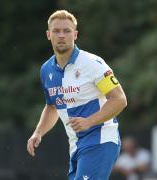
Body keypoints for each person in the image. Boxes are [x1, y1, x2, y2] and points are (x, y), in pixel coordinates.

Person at [27, 10, 127, 179]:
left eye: (66, 31)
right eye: (56, 31)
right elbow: (52, 106)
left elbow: (119, 100)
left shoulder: (93, 64)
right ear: (48, 35)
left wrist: (89, 121)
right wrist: (38, 132)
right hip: (76, 146)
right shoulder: (46, 70)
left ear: (75, 34)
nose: (61, 35)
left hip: (100, 140)